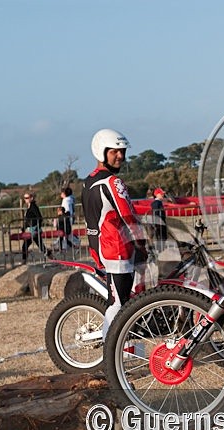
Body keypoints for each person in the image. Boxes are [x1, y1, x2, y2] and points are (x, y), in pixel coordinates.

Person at [82, 128, 147, 338]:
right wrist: (143, 243)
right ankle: (111, 356)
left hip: (99, 246)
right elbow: (129, 217)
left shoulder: (88, 181)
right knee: (119, 305)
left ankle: (127, 350)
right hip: (117, 249)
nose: (120, 156)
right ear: (101, 151)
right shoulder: (113, 182)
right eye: (114, 151)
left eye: (122, 151)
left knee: (123, 303)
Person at [21, 192, 51, 263]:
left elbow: (39, 217)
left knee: (25, 246)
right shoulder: (29, 207)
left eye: (27, 198)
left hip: (34, 230)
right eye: (24, 198)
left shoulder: (33, 206)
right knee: (40, 246)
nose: (25, 199)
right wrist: (23, 228)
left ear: (31, 198)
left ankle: (24, 261)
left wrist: (35, 226)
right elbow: (27, 220)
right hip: (31, 230)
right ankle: (52, 257)